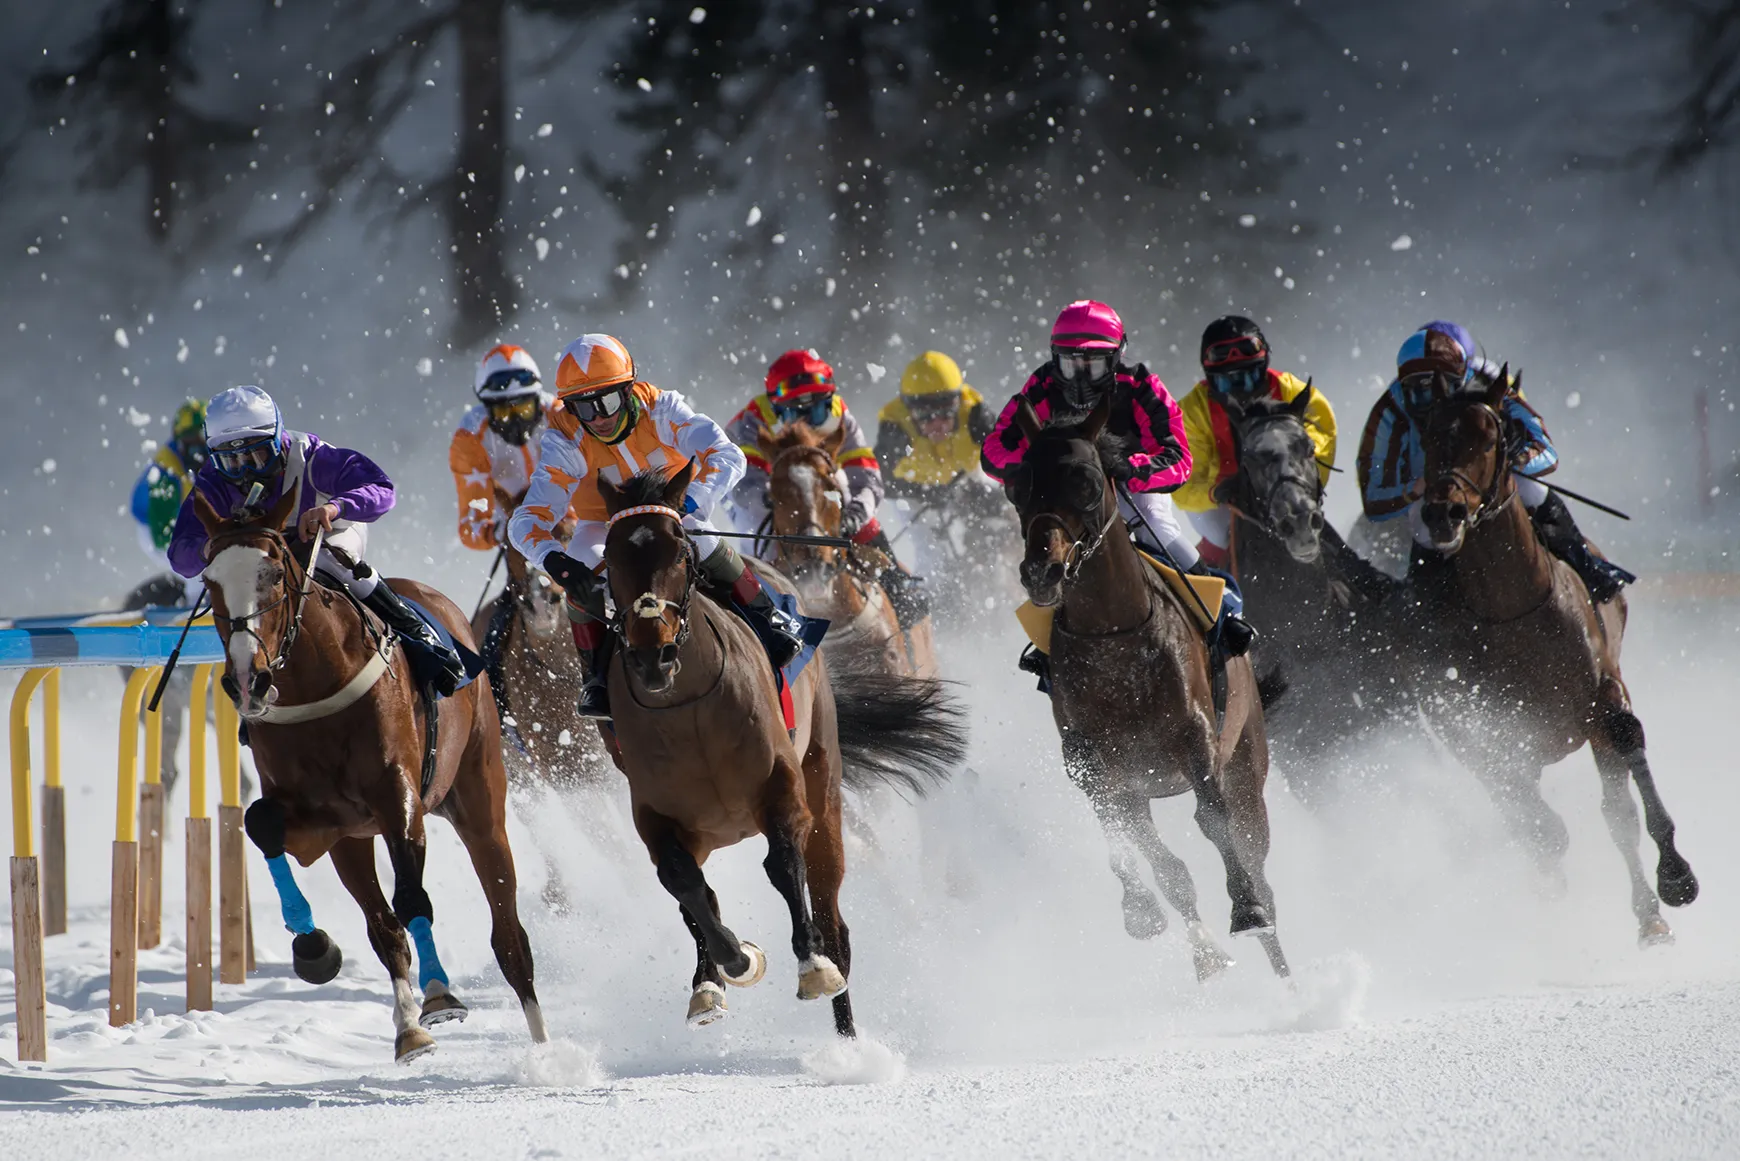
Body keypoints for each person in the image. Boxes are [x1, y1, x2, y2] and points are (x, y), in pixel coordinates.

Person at [507, 334, 804, 720]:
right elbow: (526, 522)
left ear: (628, 391)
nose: (597, 416)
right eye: (582, 406)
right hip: (606, 524)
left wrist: (689, 502)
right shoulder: (565, 438)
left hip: (673, 510)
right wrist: (558, 566)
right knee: (580, 558)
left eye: (606, 401)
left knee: (701, 533)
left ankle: (766, 619)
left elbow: (727, 454)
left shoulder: (662, 409)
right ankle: (594, 676)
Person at [981, 300, 1256, 688]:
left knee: (1161, 533)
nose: (1077, 377)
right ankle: (1046, 650)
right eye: (1068, 364)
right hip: (1066, 495)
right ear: (1054, 359)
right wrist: (1038, 467)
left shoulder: (1141, 385)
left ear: (1115, 359)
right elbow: (993, 450)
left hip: (1131, 489)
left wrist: (1132, 468)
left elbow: (1178, 457)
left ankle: (1224, 616)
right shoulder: (1041, 386)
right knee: (1044, 554)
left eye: (1091, 365)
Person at [167, 384, 468, 694]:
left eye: (257, 456)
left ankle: (422, 640)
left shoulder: (311, 456)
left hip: (327, 535)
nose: (245, 472)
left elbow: (381, 489)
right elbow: (180, 555)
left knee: (331, 562)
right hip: (266, 553)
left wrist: (334, 507)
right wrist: (211, 546)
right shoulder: (212, 480)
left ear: (278, 441)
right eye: (231, 462)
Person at [1355, 320, 1635, 601]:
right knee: (1424, 522)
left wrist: (1514, 460)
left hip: (1484, 472)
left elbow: (1546, 450)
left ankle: (1588, 568)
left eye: (1442, 385)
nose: (1429, 399)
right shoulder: (1388, 410)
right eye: (1415, 387)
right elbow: (1372, 497)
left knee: (1532, 490)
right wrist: (1413, 489)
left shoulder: (1490, 382)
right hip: (1427, 475)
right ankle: (1424, 607)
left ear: (1464, 377)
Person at [725, 349, 928, 625]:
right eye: (797, 412)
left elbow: (866, 476)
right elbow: (741, 482)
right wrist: (767, 500)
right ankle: (759, 603)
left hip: (817, 482)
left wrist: (858, 512)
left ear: (830, 401)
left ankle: (895, 582)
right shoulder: (750, 423)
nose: (808, 421)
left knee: (845, 503)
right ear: (775, 407)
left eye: (817, 410)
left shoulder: (839, 415)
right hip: (769, 492)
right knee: (757, 528)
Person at [1173, 317, 1337, 567]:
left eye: (1250, 377)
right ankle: (1205, 587)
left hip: (1281, 485)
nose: (1242, 391)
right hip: (1223, 499)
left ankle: (1368, 582)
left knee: (1311, 523)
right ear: (1210, 378)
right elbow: (1182, 482)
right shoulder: (1191, 412)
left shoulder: (1292, 391)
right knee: (1220, 536)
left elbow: (1321, 443)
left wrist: (1302, 485)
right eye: (1228, 382)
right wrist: (1217, 491)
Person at [130, 399, 209, 593]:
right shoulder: (165, 474)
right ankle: (193, 609)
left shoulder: (222, 456)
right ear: (178, 440)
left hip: (189, 520)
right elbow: (162, 537)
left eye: (204, 440)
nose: (198, 450)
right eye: (191, 441)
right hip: (153, 528)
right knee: (195, 569)